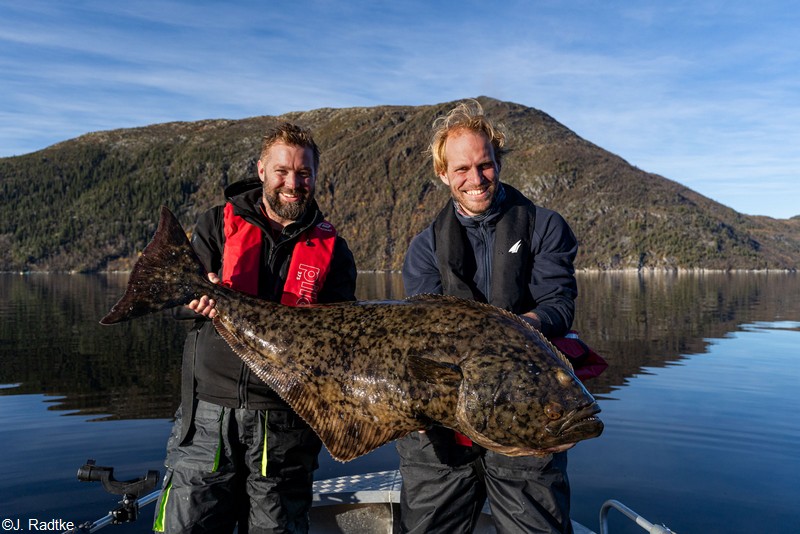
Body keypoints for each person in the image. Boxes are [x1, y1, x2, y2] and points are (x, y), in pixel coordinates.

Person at [154, 122, 357, 533]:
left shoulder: (333, 250)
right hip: (208, 415)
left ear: (315, 178)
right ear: (262, 170)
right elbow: (172, 300)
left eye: (303, 174)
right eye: (282, 171)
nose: (293, 183)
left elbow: (343, 343)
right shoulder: (216, 224)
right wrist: (193, 302)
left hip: (285, 422)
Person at [397, 100, 580, 534]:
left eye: (485, 165)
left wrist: (516, 331)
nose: (475, 179)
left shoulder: (545, 227)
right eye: (461, 169)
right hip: (442, 418)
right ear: (443, 174)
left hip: (525, 413)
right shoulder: (425, 248)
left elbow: (558, 304)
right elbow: (423, 331)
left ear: (498, 162)